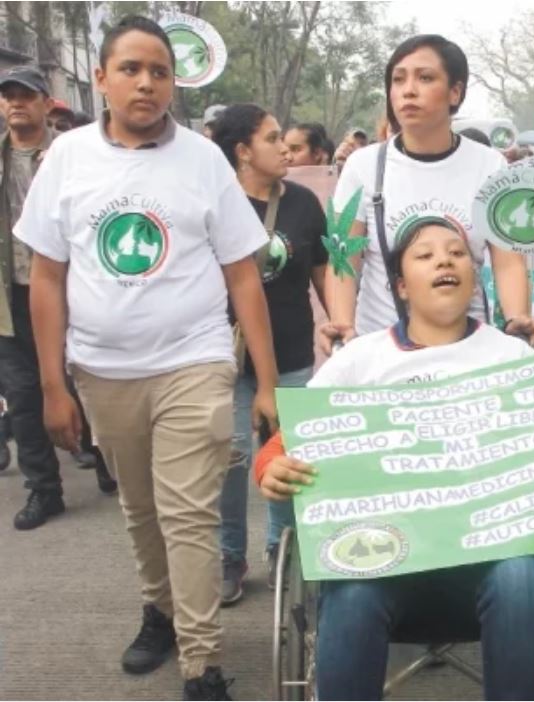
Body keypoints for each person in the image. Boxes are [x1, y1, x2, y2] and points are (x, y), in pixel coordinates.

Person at [253, 219, 534, 699]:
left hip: (492, 561)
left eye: (456, 253)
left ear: (474, 276)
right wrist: (272, 467)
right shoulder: (359, 360)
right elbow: (289, 442)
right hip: (385, 557)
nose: (445, 261)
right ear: (402, 287)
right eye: (425, 255)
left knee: (521, 577)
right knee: (351, 588)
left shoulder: (512, 355)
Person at [17, 16, 279, 698]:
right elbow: (46, 277)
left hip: (194, 363)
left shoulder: (203, 160)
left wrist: (268, 381)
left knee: (189, 514)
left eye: (159, 71)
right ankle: (159, 611)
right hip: (102, 372)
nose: (146, 82)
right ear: (100, 78)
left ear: (173, 83)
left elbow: (243, 275)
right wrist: (52, 385)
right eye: (130, 68)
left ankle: (202, 661)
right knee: (141, 510)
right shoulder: (67, 160)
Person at [321, 34, 534, 356]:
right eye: (398, 80)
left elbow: (507, 263)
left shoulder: (491, 166)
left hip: (468, 354)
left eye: (425, 78)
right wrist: (342, 325)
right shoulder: (362, 166)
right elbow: (343, 260)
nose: (408, 90)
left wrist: (517, 320)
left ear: (456, 92)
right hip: (380, 355)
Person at [211, 104, 330, 605]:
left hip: (292, 353)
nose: (285, 147)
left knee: (286, 457)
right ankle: (229, 555)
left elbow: (323, 271)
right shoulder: (216, 204)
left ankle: (283, 546)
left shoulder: (303, 203)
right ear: (242, 151)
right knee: (232, 460)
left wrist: (343, 328)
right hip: (225, 358)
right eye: (272, 138)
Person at [0, 66, 71, 529]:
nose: (15, 103)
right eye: (8, 96)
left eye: (26, 95)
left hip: (70, 292)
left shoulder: (71, 155)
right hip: (10, 298)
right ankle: (44, 490)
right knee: (24, 396)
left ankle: (104, 459)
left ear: (47, 103)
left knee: (81, 378)